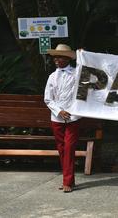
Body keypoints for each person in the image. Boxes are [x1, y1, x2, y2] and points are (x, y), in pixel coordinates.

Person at [44, 44, 81, 193]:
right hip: (57, 118)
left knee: (69, 147)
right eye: (55, 57)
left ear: (67, 58)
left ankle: (67, 181)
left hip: (73, 117)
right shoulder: (52, 77)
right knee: (62, 149)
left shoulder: (76, 73)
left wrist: (84, 55)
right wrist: (59, 111)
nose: (56, 60)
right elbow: (48, 99)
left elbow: (89, 73)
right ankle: (69, 180)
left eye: (59, 57)